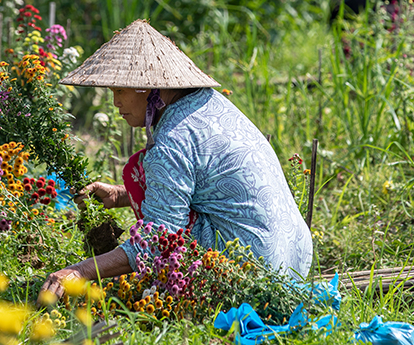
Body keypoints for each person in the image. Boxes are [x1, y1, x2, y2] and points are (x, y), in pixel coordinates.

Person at [38, 20, 312, 302]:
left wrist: (80, 271)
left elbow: (158, 240)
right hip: (295, 261)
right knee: (138, 172)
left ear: (146, 87)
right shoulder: (213, 105)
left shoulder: (171, 142)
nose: (115, 102)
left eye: (119, 90)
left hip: (252, 272)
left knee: (159, 232)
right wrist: (121, 196)